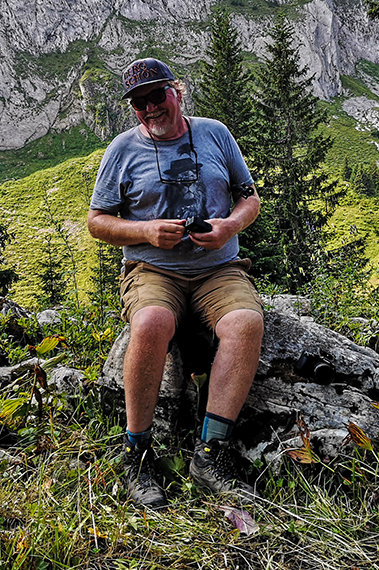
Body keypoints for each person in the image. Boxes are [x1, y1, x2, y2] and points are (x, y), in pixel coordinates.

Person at [88, 57, 264, 508]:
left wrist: (227, 228)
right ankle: (138, 453)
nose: (149, 108)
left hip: (218, 269)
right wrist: (145, 232)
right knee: (150, 324)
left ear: (176, 92)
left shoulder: (215, 133)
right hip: (152, 270)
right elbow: (97, 222)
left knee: (244, 324)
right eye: (138, 102)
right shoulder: (121, 150)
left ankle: (210, 453)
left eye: (156, 96)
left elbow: (249, 197)